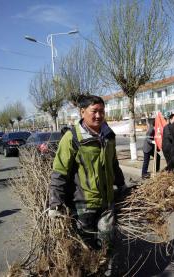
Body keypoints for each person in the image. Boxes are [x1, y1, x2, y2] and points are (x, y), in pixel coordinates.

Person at [48, 95, 127, 251]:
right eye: (94, 111)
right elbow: (60, 172)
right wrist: (55, 204)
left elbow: (113, 164)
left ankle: (107, 268)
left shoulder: (109, 136)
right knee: (87, 248)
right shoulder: (72, 138)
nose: (99, 115)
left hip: (107, 202)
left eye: (102, 111)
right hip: (83, 205)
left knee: (106, 244)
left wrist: (121, 184)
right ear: (82, 112)